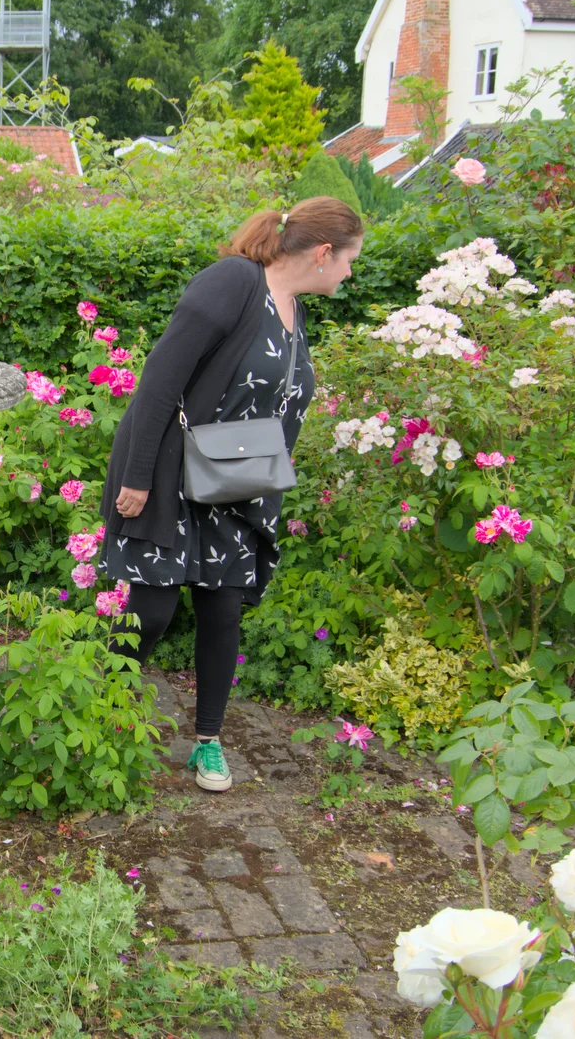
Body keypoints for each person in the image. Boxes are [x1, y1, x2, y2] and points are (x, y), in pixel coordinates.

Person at [99, 196, 364, 793]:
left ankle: (208, 744)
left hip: (236, 484)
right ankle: (96, 707)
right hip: (169, 470)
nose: (349, 273)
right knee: (154, 609)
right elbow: (160, 381)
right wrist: (138, 477)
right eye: (349, 260)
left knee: (223, 611)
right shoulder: (233, 283)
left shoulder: (293, 307)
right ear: (323, 253)